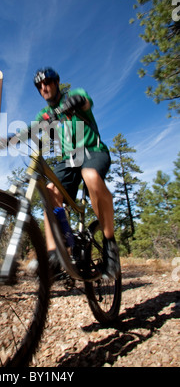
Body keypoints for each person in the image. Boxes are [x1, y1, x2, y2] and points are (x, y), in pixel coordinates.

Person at [33, 67, 120, 280]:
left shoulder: (73, 95)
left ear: (57, 82)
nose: (44, 87)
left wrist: (76, 102)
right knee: (50, 191)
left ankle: (110, 247)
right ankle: (55, 254)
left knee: (90, 176)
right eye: (39, 85)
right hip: (69, 160)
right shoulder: (44, 114)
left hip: (92, 151)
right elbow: (32, 129)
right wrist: (9, 140)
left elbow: (85, 100)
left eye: (48, 82)